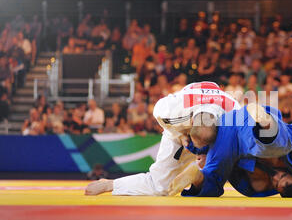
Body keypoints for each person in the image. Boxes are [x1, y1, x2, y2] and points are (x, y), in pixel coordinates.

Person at [85, 81, 240, 196]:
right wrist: (180, 135)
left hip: (216, 134)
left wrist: (212, 154)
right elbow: (158, 113)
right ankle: (110, 185)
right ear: (191, 121)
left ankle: (200, 173)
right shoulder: (173, 107)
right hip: (180, 128)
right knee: (160, 187)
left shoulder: (234, 114)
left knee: (215, 180)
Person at [168, 103, 292, 198]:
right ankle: (265, 123)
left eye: (277, 183)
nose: (277, 176)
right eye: (284, 176)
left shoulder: (260, 186)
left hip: (227, 132)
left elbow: (224, 162)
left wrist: (188, 143)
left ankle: (197, 176)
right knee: (281, 144)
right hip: (249, 124)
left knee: (214, 176)